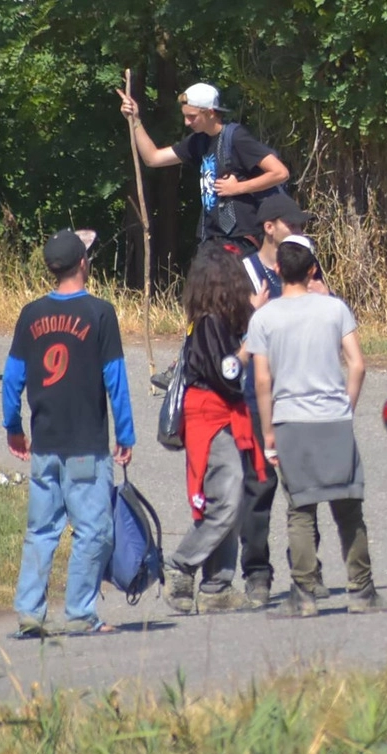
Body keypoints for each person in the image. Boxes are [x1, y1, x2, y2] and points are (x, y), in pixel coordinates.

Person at [246, 241, 387, 617]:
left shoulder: (265, 318)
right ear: (312, 271)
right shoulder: (334, 309)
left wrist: (269, 430)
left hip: (290, 420)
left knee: (300, 510)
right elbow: (357, 365)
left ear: (276, 271)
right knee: (348, 507)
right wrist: (346, 406)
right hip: (333, 418)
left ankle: (304, 595)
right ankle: (362, 591)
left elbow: (262, 380)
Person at [3, 229, 133, 637]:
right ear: (83, 263)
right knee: (93, 529)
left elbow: (12, 378)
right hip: (85, 446)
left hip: (45, 442)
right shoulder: (99, 312)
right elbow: (115, 378)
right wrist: (125, 433)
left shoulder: (31, 314)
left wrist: (13, 427)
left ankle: (29, 612)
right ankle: (79, 611)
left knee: (42, 530)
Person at [164, 245, 267, 614]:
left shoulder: (215, 322)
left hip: (220, 411)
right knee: (228, 497)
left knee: (228, 499)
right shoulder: (208, 323)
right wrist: (247, 348)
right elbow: (225, 372)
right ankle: (181, 563)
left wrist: (251, 316)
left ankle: (216, 585)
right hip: (210, 414)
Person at [235, 196, 327, 605]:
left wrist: (326, 297)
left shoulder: (308, 267)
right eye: (292, 223)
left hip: (302, 394)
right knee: (258, 488)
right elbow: (232, 335)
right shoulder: (245, 273)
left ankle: (308, 570)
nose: (299, 228)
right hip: (258, 399)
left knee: (305, 489)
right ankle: (256, 573)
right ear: (270, 227)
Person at [116, 82, 289, 253]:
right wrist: (135, 121)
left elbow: (280, 173)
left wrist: (238, 188)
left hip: (241, 239)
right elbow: (153, 158)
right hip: (211, 237)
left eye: (192, 116)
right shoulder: (198, 140)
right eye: (185, 116)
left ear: (210, 113)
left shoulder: (236, 137)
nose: (186, 122)